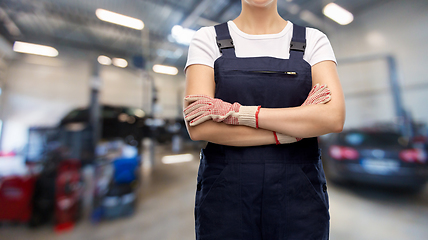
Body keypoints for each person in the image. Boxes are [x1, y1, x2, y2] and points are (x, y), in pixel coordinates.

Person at [183, 0, 345, 239]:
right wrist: (291, 131)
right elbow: (199, 126)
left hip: (299, 194)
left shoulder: (314, 40)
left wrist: (238, 114)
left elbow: (333, 118)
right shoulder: (206, 39)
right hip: (226, 195)